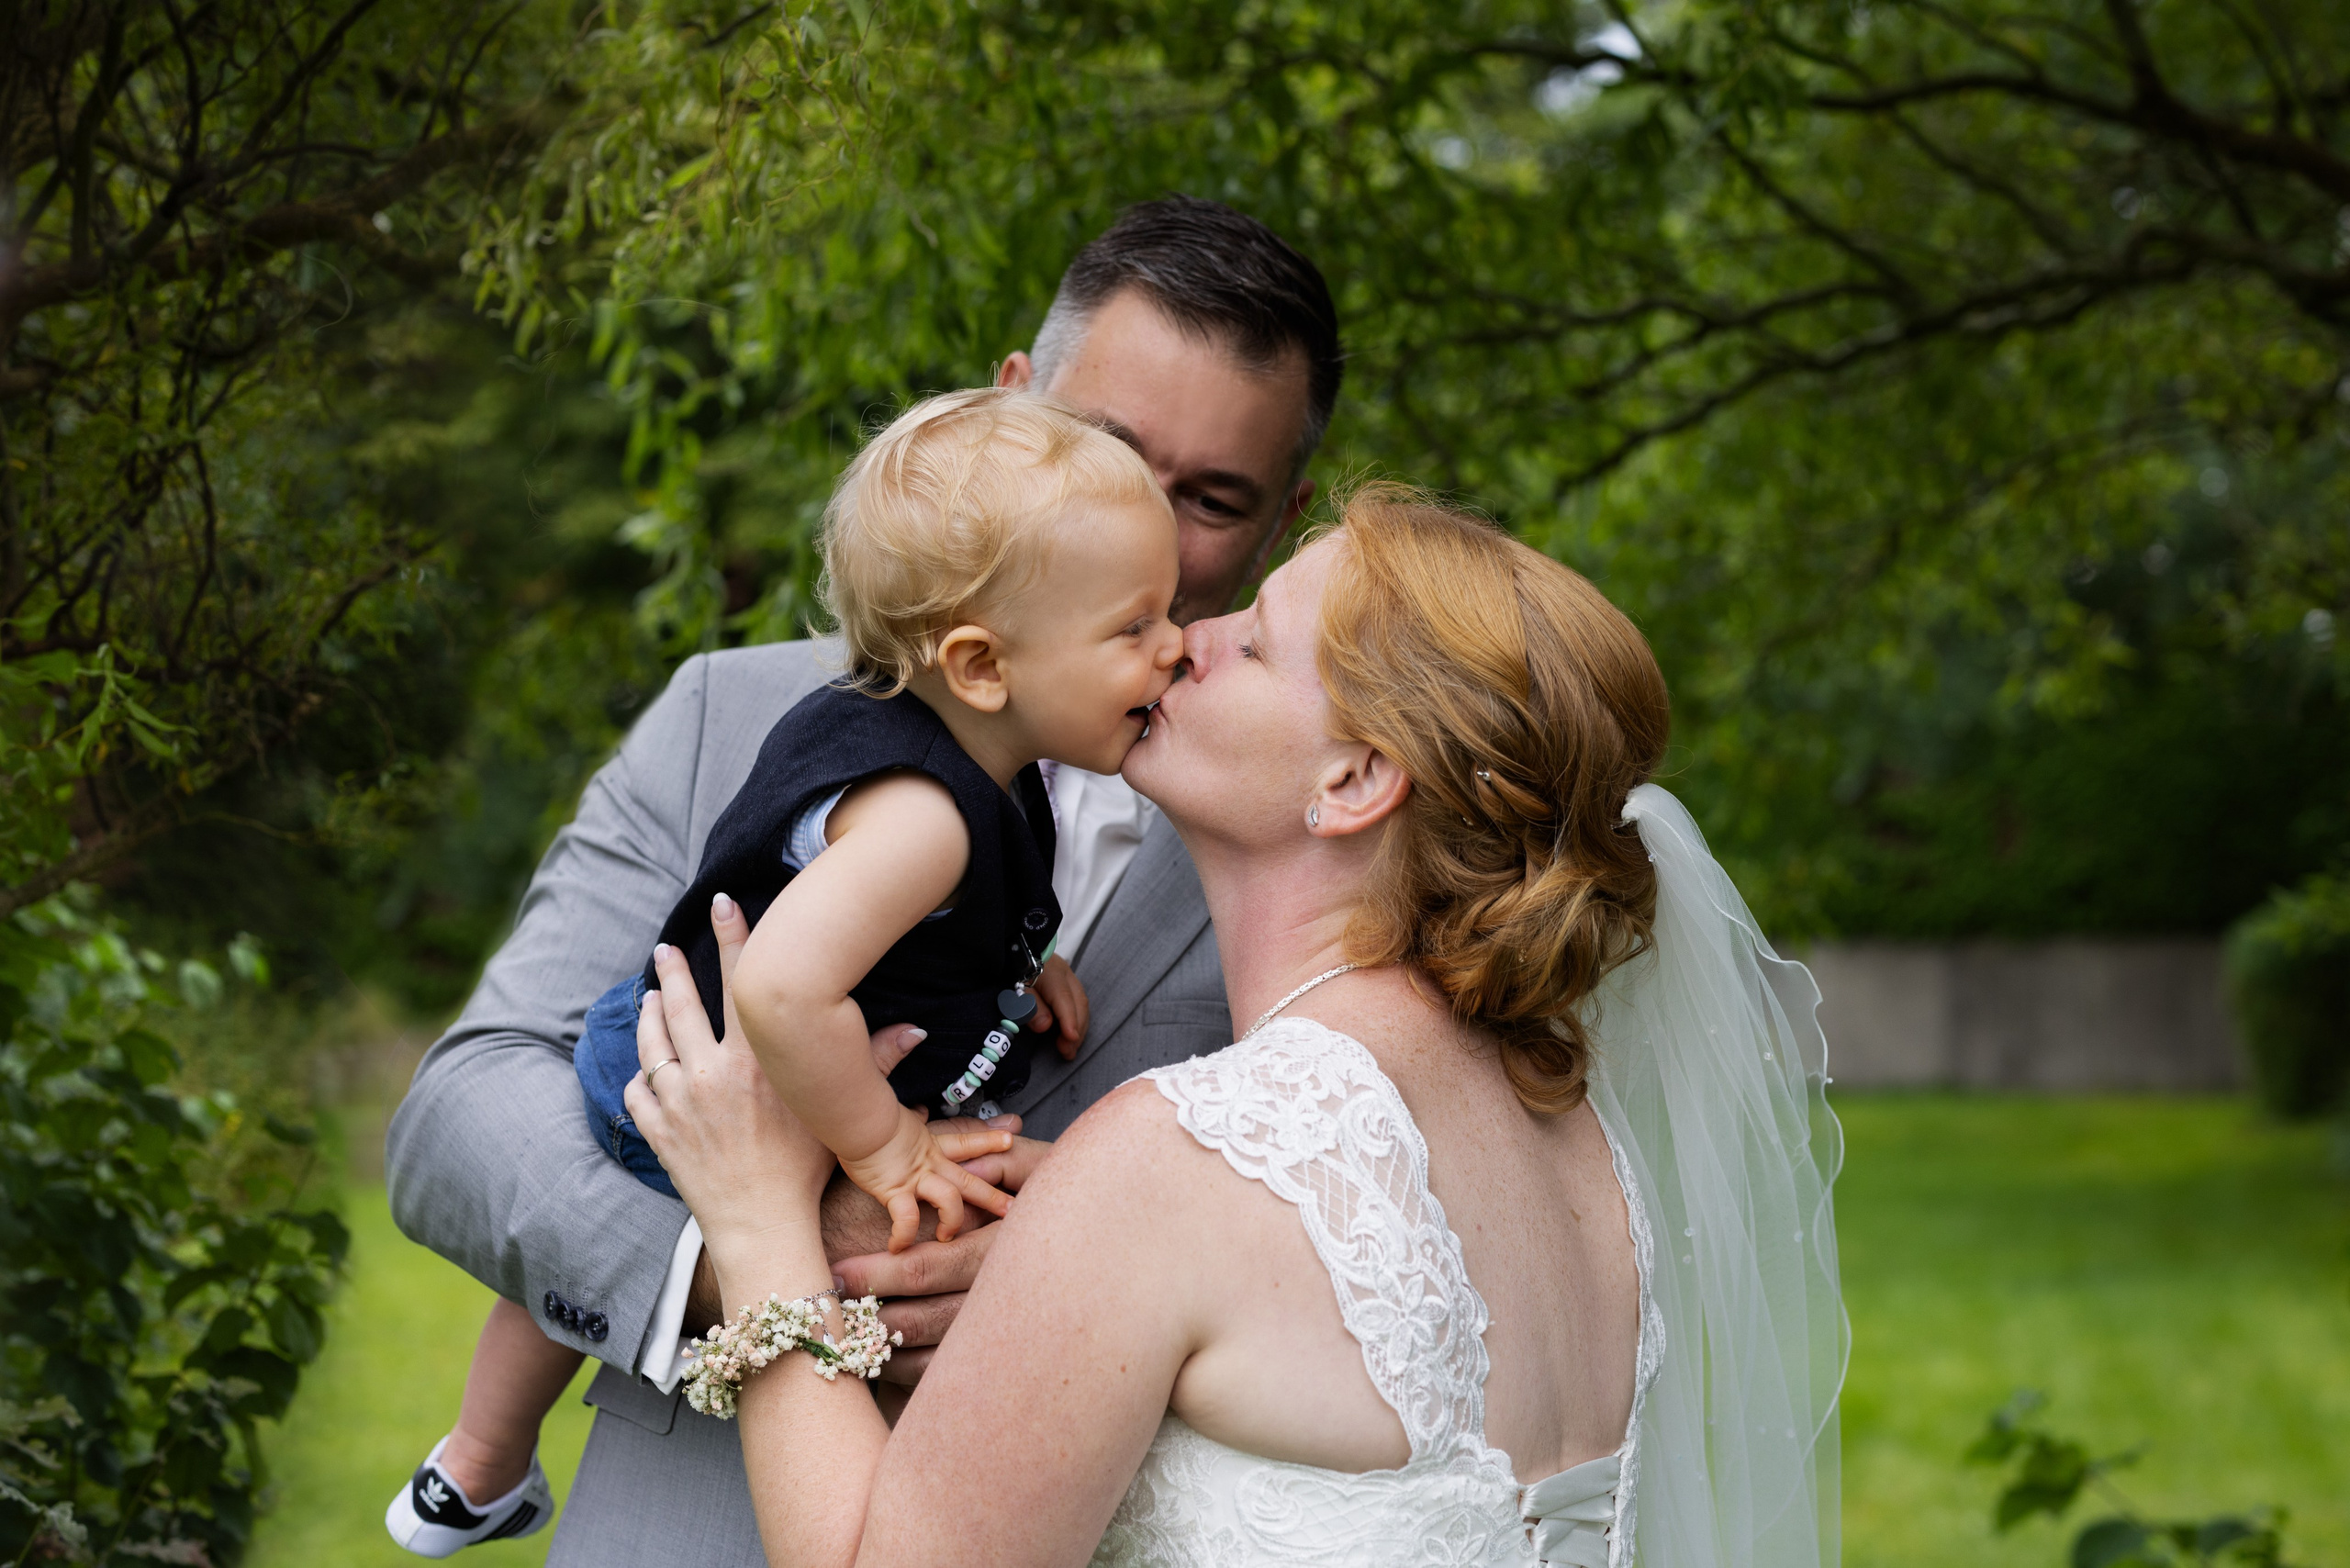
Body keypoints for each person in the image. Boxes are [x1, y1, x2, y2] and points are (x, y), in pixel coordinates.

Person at [627, 487, 1847, 1567]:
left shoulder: (1177, 1167)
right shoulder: (1588, 1152)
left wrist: (756, 1222)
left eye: (1251, 643)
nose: (1186, 641)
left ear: (1354, 783)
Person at [383, 196, 1344, 1566]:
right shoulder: (731, 712)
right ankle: (478, 1460)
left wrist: (1098, 1280)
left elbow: (1377, 1244)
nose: (1150, 527)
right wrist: (781, 1248)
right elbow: (462, 1119)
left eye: (1214, 501)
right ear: (1007, 405)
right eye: (1102, 452)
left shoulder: (1318, 819)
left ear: (1281, 520)